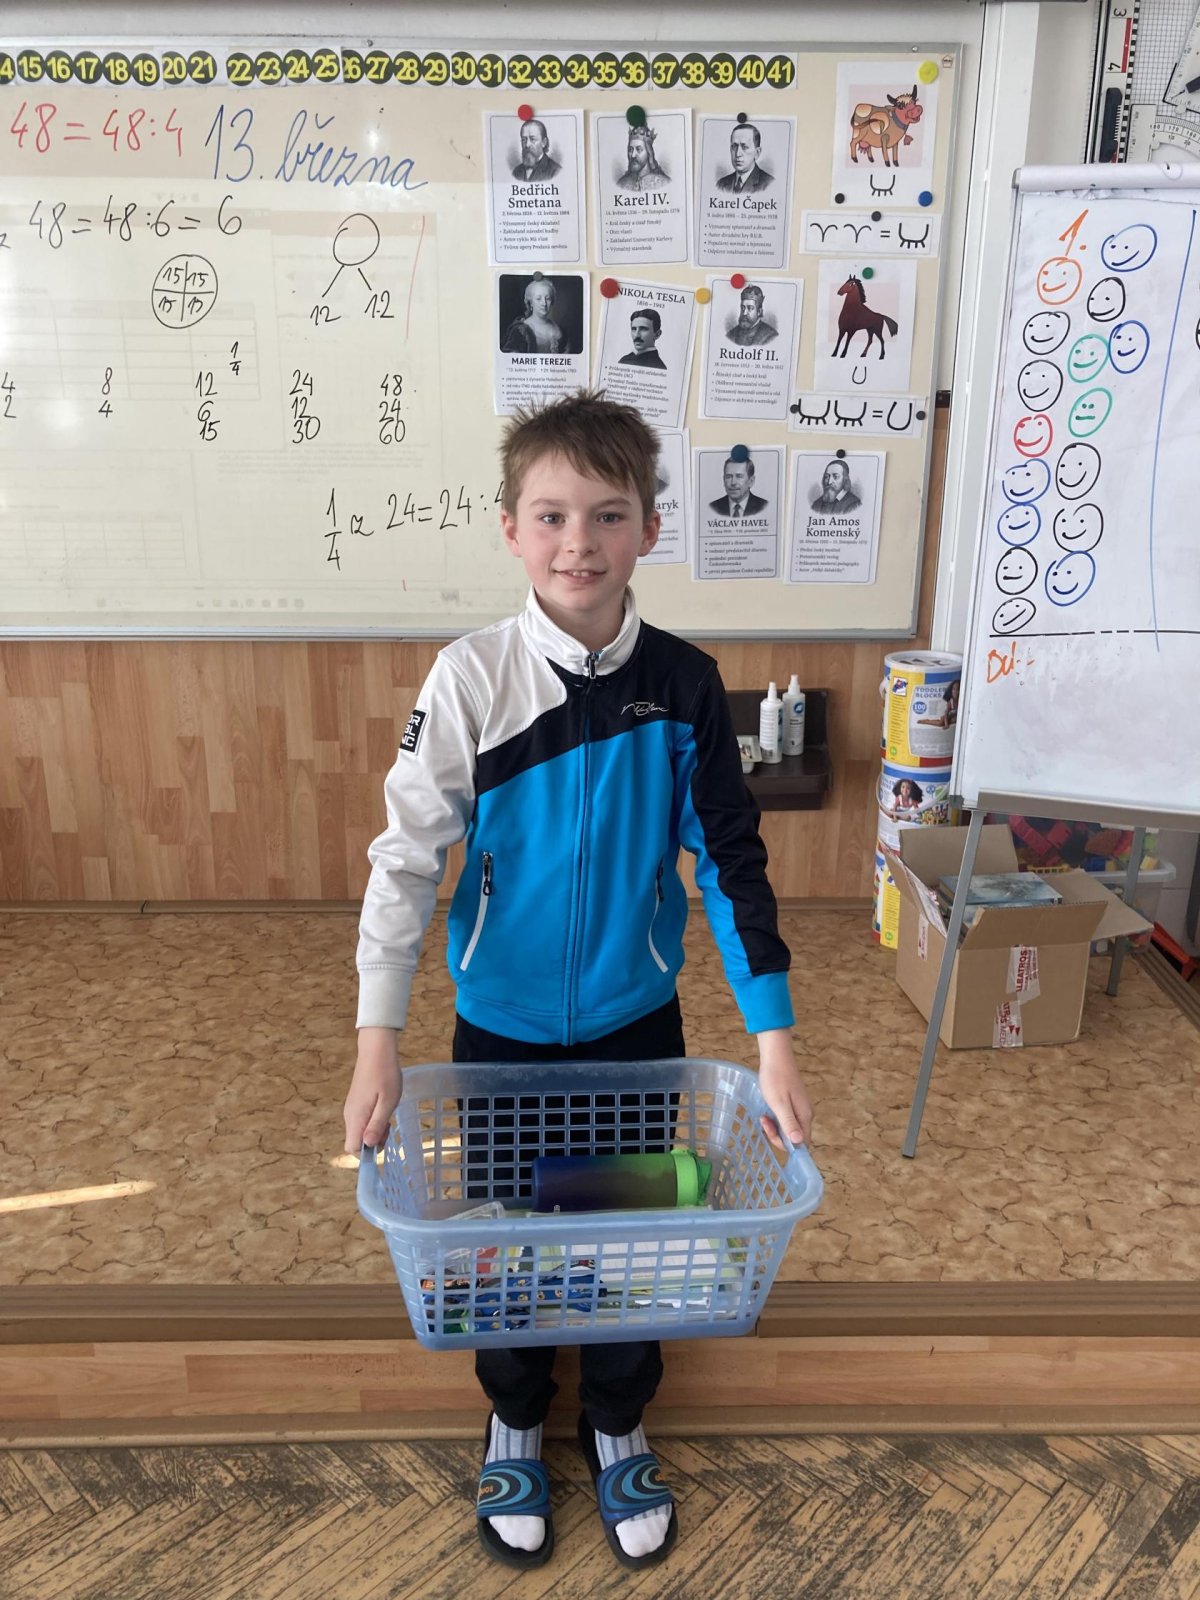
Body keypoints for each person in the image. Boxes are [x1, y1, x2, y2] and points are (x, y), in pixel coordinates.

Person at [346, 390, 813, 1574]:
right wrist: (376, 1035)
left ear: (649, 527)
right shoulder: (470, 679)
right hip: (497, 1028)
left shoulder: (687, 685)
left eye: (608, 514)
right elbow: (405, 863)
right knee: (507, 1235)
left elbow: (732, 865)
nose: (579, 543)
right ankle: (513, 1416)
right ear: (510, 526)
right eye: (551, 515)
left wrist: (774, 1039)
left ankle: (615, 1420)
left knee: (625, 1232)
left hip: (633, 1021)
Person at [501, 276, 565, 355]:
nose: (544, 303)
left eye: (548, 298)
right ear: (530, 303)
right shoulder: (521, 330)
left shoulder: (557, 329)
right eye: (538, 299)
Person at [716, 123, 773, 193]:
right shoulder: (721, 184)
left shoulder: (769, 185)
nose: (737, 154)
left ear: (757, 153)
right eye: (734, 146)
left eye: (744, 147)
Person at [617, 124, 669, 191]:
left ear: (649, 152)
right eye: (630, 150)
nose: (633, 155)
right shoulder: (621, 184)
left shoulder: (664, 182)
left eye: (639, 149)